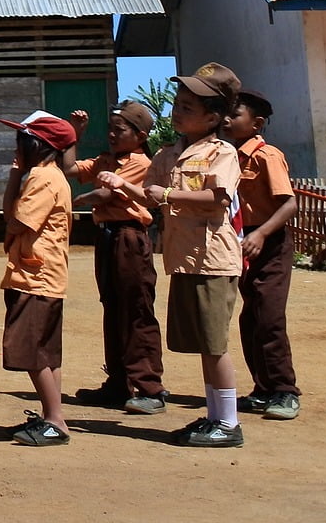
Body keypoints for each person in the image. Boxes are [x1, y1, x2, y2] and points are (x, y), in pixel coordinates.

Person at [101, 63, 246, 447]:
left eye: (187, 107)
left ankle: (229, 423)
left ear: (213, 117)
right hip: (184, 260)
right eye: (177, 104)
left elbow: (217, 199)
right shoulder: (169, 154)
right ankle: (215, 416)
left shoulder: (222, 153)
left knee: (215, 345)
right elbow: (148, 192)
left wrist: (167, 196)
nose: (177, 111)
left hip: (213, 259)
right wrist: (121, 185)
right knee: (203, 343)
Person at [65, 99, 167, 414]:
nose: (111, 134)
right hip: (108, 236)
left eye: (119, 129)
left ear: (139, 135)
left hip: (129, 238)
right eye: (109, 128)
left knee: (136, 310)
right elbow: (69, 168)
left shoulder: (140, 162)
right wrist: (74, 135)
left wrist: (82, 199)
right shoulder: (106, 159)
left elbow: (108, 194)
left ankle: (150, 387)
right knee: (113, 308)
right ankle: (118, 382)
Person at [0, 110, 77, 447]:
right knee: (45, 353)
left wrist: (16, 175)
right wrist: (18, 172)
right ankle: (51, 414)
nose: (17, 147)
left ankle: (55, 420)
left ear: (38, 145)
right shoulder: (42, 175)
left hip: (36, 277)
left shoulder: (43, 179)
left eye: (22, 140)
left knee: (31, 351)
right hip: (41, 275)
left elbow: (16, 221)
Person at [226, 90, 300, 421]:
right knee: (251, 316)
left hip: (269, 242)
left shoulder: (267, 156)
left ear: (256, 123)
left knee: (269, 315)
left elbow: (289, 204)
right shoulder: (230, 157)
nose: (227, 119)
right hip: (245, 241)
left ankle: (285, 391)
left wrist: (260, 233)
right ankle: (262, 388)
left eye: (235, 114)